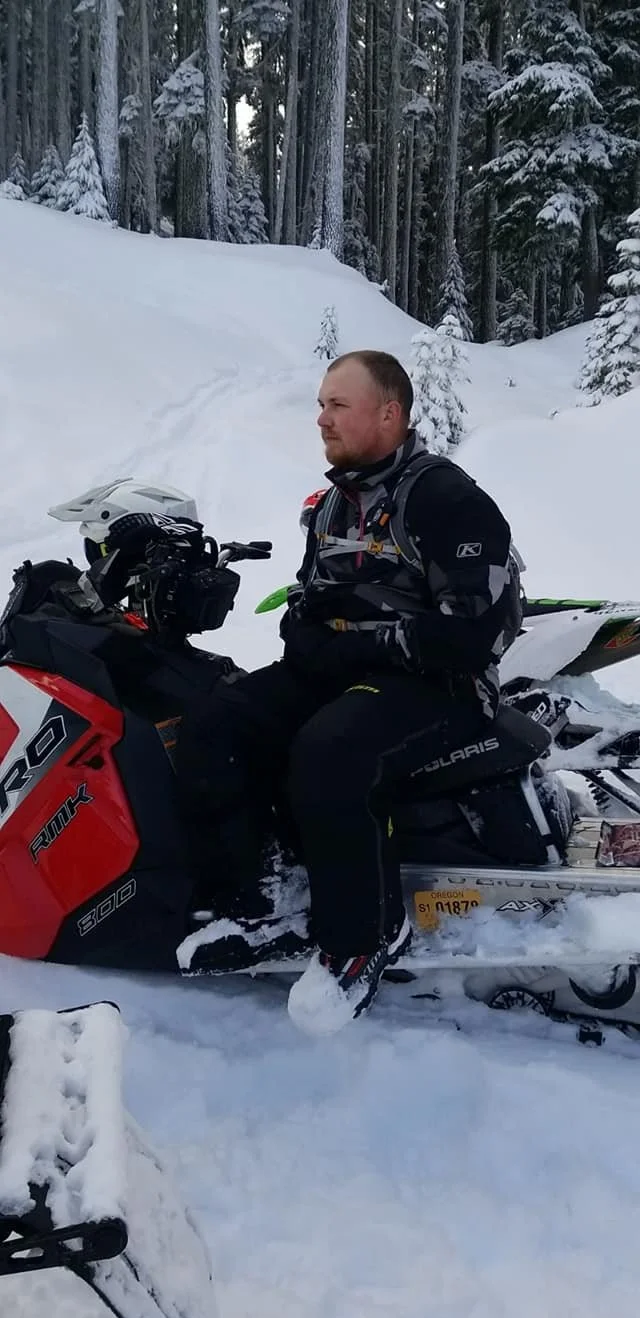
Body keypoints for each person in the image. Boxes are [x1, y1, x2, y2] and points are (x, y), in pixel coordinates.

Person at [173, 350, 522, 1033]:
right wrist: (304, 633)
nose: (321, 418)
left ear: (389, 414)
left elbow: (474, 632)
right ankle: (265, 899)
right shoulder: (335, 504)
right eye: (320, 403)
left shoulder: (445, 498)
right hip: (350, 671)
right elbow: (311, 598)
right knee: (216, 722)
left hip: (441, 685)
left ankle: (364, 933)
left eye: (338, 404)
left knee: (329, 751)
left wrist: (366, 643)